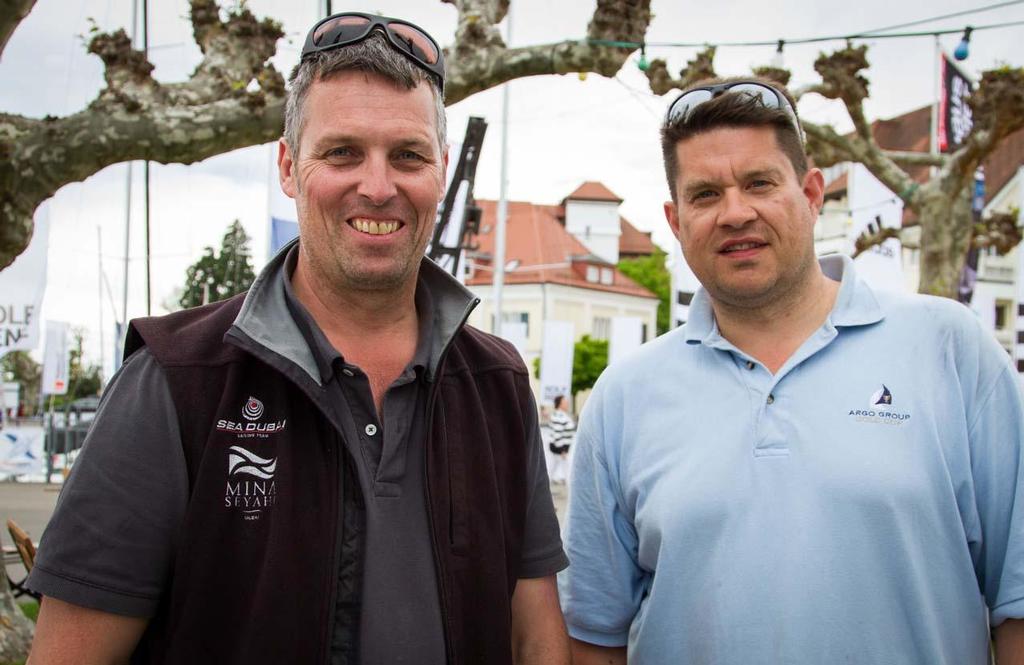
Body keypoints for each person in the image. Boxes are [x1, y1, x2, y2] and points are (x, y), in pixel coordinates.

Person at [27, 12, 570, 665]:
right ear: (289, 166)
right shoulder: (175, 380)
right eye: (342, 152)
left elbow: (535, 639)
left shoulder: (497, 384)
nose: (378, 185)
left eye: (408, 155)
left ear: (441, 170)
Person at [559, 78, 1024, 664]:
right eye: (705, 195)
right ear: (676, 222)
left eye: (759, 183)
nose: (735, 213)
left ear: (810, 193)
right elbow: (592, 635)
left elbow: (1019, 600)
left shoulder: (949, 349)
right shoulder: (625, 395)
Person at [546, 395, 575, 484]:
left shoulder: (560, 415)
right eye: (565, 402)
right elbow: (557, 434)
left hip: (560, 449)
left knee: (552, 468)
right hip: (560, 449)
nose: (567, 404)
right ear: (560, 404)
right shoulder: (559, 416)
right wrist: (562, 450)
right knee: (567, 470)